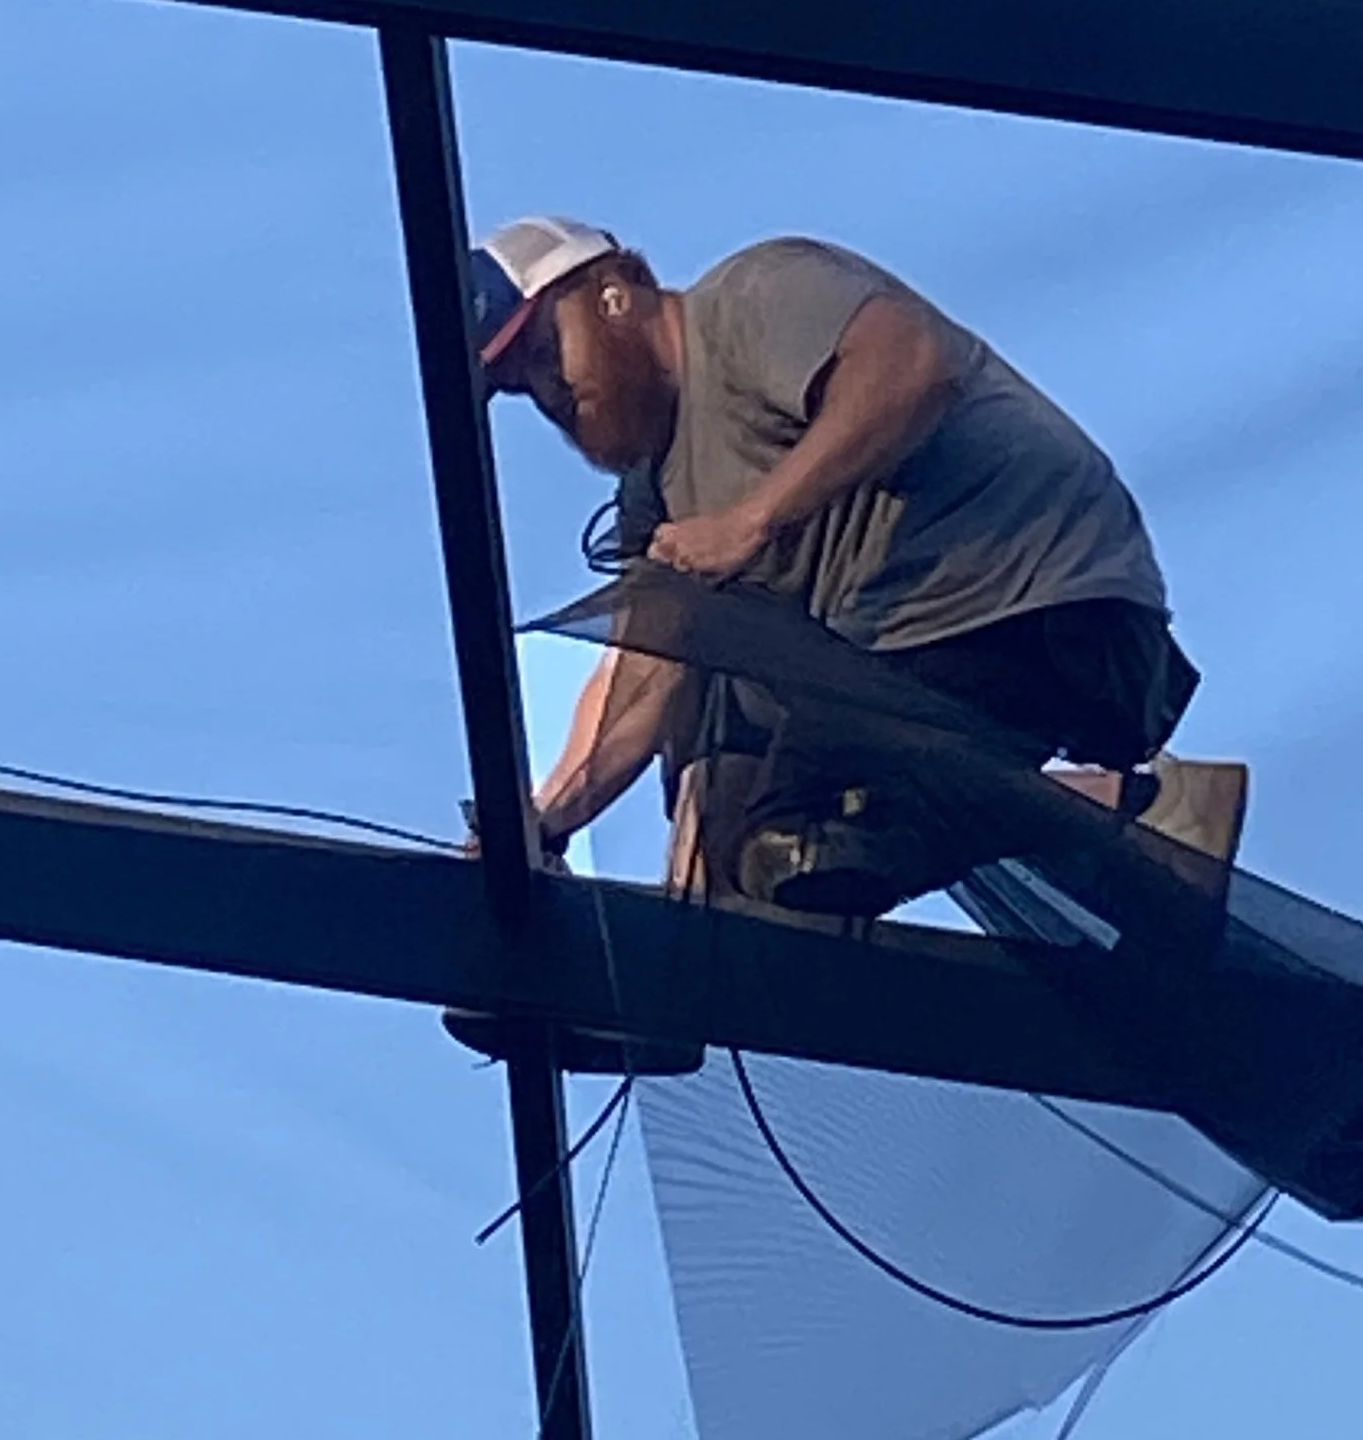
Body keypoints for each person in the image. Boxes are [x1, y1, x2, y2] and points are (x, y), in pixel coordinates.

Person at [469, 217, 1229, 916]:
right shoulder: (654, 492)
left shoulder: (747, 299)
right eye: (524, 388)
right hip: (921, 660)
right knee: (759, 849)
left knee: (802, 815)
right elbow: (646, 671)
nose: (550, 391)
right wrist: (546, 819)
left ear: (613, 294)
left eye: (545, 353)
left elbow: (910, 364)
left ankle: (1136, 814)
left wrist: (751, 520)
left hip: (1038, 603)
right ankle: (685, 953)